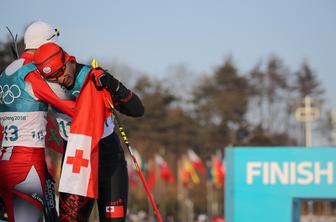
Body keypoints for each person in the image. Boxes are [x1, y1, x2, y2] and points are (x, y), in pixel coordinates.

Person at [33, 42, 144, 222]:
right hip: (77, 169)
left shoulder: (92, 78)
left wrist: (114, 85)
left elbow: (138, 110)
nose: (60, 80)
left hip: (109, 166)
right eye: (53, 77)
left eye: (61, 72)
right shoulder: (45, 86)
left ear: (69, 59)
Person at [0, 21, 76, 222]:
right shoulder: (35, 73)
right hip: (26, 164)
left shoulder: (5, 73)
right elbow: (69, 106)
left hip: (5, 160)